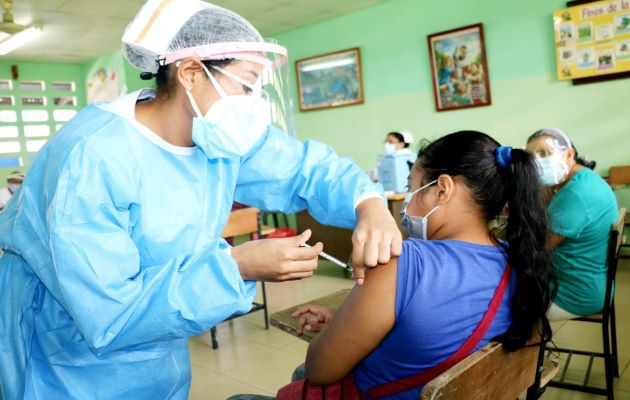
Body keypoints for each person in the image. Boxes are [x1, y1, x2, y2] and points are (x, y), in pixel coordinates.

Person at [0, 1, 402, 399]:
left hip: (158, 347)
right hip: (66, 362)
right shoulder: (92, 159)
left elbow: (308, 169)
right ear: (191, 72)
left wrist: (369, 204)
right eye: (245, 85)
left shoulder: (218, 136)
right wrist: (236, 267)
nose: (253, 102)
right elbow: (110, 313)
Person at [231, 131, 553, 399]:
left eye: (413, 190)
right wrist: (346, 323)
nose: (407, 204)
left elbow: (320, 369)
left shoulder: (406, 262)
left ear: (443, 189)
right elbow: (435, 331)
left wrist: (344, 326)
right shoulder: (518, 261)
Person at [526, 127, 618, 321]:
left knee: (495, 306)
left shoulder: (575, 194)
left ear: (569, 154)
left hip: (574, 294)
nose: (538, 163)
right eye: (532, 157)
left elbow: (534, 249)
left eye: (544, 153)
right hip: (591, 283)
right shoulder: (586, 179)